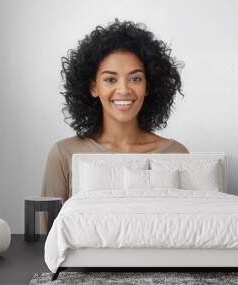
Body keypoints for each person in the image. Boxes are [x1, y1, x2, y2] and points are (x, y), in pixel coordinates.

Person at [40, 18, 189, 233]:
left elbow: (188, 229)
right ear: (93, 87)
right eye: (110, 79)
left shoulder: (176, 153)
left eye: (135, 79)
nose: (124, 90)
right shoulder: (64, 154)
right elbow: (47, 239)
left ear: (148, 86)